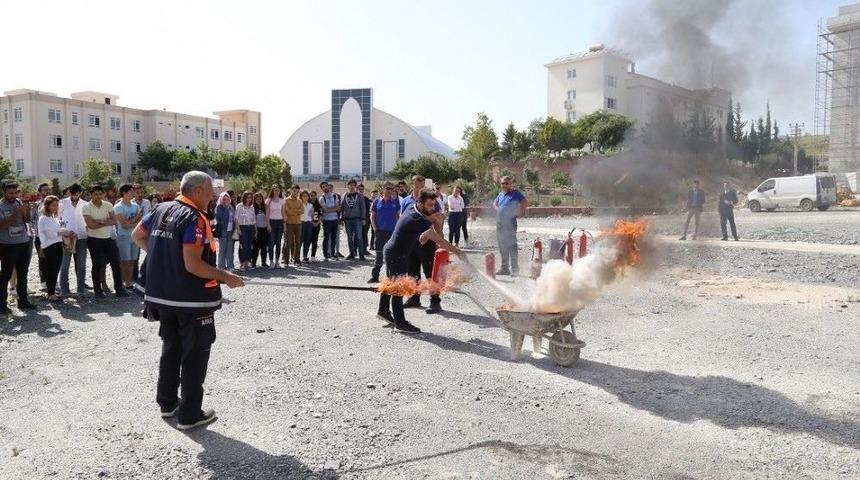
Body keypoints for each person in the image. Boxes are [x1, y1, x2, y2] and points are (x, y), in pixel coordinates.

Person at [132, 170, 245, 431]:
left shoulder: (160, 209)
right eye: (209, 192)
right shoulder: (194, 218)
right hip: (191, 300)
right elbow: (193, 265)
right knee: (195, 354)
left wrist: (164, 256)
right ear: (196, 192)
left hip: (163, 296)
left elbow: (137, 235)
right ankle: (190, 414)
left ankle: (168, 403)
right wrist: (225, 277)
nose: (213, 197)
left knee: (171, 348)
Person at [378, 190, 464, 333]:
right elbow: (439, 240)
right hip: (397, 254)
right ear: (420, 203)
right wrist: (459, 252)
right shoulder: (418, 219)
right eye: (429, 205)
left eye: (433, 205)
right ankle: (400, 323)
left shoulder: (413, 207)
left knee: (391, 282)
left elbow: (421, 232)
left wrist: (426, 229)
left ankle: (383, 311)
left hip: (392, 250)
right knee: (398, 288)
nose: (432, 208)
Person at [400, 175, 444, 313]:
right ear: (412, 185)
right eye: (417, 185)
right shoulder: (406, 201)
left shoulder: (431, 200)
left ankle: (435, 301)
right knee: (412, 272)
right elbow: (402, 219)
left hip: (427, 242)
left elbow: (438, 220)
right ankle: (414, 298)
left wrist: (439, 239)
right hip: (410, 243)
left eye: (422, 185)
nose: (419, 188)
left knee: (430, 273)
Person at [82, 184, 128, 299]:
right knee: (97, 265)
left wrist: (99, 221)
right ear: (91, 195)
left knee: (116, 263)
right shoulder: (86, 207)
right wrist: (104, 221)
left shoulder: (108, 205)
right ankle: (98, 290)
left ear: (103, 194)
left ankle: (119, 289)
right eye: (95, 194)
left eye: (100, 193)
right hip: (93, 240)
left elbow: (114, 221)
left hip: (108, 238)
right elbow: (90, 225)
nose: (98, 196)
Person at [0, 181, 36, 312]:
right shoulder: (0, 206)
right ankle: (2, 304)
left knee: (23, 273)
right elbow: (2, 225)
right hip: (7, 245)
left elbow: (26, 221)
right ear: (4, 192)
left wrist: (27, 211)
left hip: (23, 242)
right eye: (10, 193)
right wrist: (16, 213)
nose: (14, 195)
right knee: (6, 274)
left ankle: (23, 301)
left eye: (16, 192)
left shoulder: (19, 203)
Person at [38, 196, 72, 301]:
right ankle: (51, 293)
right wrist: (62, 233)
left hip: (57, 244)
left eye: (57, 205)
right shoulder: (43, 218)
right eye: (53, 205)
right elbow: (49, 234)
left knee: (56, 269)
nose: (55, 207)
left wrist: (66, 232)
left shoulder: (54, 217)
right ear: (47, 205)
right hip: (49, 246)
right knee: (52, 269)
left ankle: (52, 292)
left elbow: (58, 230)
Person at [58, 183, 89, 297]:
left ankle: (81, 290)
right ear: (69, 192)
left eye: (77, 194)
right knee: (65, 264)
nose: (75, 196)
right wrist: (64, 231)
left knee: (81, 265)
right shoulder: (62, 203)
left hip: (81, 237)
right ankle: (64, 289)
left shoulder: (85, 204)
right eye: (73, 194)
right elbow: (58, 218)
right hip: (67, 237)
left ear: (80, 193)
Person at [493, 176, 527, 276]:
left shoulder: (515, 193)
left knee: (512, 246)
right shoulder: (500, 194)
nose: (504, 185)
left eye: (507, 183)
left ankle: (515, 270)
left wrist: (519, 211)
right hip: (500, 223)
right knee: (502, 246)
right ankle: (504, 269)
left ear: (511, 184)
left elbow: (524, 201)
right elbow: (494, 203)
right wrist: (498, 209)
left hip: (510, 223)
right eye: (503, 183)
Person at [368, 182, 400, 283]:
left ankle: (389, 277)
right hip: (380, 232)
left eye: (391, 189)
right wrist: (374, 228)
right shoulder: (376, 201)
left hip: (392, 232)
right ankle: (375, 276)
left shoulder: (396, 202)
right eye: (387, 188)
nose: (389, 190)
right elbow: (372, 216)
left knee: (390, 255)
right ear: (383, 189)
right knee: (379, 255)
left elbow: (398, 217)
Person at [114, 184, 143, 289]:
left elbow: (140, 221)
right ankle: (121, 282)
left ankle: (129, 282)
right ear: (124, 193)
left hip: (134, 237)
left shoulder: (135, 206)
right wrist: (136, 219)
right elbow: (124, 225)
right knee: (124, 261)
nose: (133, 193)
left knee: (132, 261)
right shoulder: (118, 207)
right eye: (131, 192)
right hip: (123, 237)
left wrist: (134, 222)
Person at [31, 182, 52, 292]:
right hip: (40, 237)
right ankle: (43, 282)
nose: (47, 191)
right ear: (40, 192)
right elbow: (31, 219)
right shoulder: (37, 205)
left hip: (54, 237)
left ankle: (53, 281)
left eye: (48, 189)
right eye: (44, 190)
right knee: (42, 259)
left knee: (54, 259)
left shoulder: (56, 204)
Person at [341, 180, 367, 260]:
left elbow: (363, 207)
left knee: (359, 237)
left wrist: (363, 218)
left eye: (353, 185)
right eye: (350, 185)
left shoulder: (359, 195)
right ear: (348, 186)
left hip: (357, 219)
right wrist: (342, 218)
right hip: (347, 220)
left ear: (355, 186)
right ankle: (351, 253)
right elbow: (342, 207)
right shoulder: (344, 195)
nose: (352, 186)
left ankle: (361, 254)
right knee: (349, 237)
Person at [132, 184, 152, 281]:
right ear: (133, 193)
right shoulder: (130, 203)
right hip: (134, 232)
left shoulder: (147, 202)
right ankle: (134, 277)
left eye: (141, 192)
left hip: (146, 232)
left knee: (149, 253)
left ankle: (147, 275)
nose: (140, 194)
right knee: (135, 256)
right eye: (137, 192)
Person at [318, 182, 340, 260]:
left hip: (335, 220)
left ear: (328, 186)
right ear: (322, 189)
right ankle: (325, 254)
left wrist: (330, 209)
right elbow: (325, 210)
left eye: (326, 186)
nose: (325, 188)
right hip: (326, 220)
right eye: (323, 187)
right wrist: (333, 209)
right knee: (326, 238)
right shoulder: (321, 198)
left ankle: (333, 253)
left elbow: (338, 208)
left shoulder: (335, 196)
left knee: (334, 237)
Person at [282, 185, 303, 265]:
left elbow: (302, 211)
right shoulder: (286, 200)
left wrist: (293, 211)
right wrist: (296, 211)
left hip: (298, 224)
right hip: (289, 224)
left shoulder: (300, 201)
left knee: (298, 242)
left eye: (297, 192)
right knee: (288, 242)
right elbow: (287, 211)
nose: (296, 193)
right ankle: (286, 260)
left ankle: (296, 260)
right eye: (294, 191)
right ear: (291, 191)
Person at [214, 192, 236, 271]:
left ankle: (230, 266)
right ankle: (221, 267)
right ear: (221, 199)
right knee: (222, 250)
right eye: (224, 199)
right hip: (223, 230)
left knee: (230, 250)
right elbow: (220, 219)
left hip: (230, 230)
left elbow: (234, 218)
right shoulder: (219, 207)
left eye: (227, 199)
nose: (226, 200)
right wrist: (226, 209)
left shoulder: (231, 207)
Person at [265, 185, 285, 268]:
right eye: (275, 190)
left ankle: (277, 261)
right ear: (272, 191)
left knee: (278, 243)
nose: (277, 192)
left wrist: (284, 225)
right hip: (272, 222)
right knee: (271, 243)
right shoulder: (268, 201)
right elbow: (267, 214)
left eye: (278, 190)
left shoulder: (282, 201)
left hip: (280, 222)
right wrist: (268, 225)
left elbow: (283, 213)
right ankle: (271, 261)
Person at [235, 191, 256, 270]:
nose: (249, 199)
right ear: (244, 198)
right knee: (244, 246)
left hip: (250, 228)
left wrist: (256, 230)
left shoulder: (252, 207)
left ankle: (247, 263)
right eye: (247, 197)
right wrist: (238, 229)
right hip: (242, 228)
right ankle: (242, 263)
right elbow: (236, 218)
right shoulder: (239, 206)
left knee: (249, 246)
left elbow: (254, 220)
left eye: (250, 198)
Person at [251, 192, 269, 268]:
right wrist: (255, 231)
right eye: (257, 199)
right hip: (256, 229)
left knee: (264, 247)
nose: (259, 200)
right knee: (256, 247)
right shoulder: (252, 208)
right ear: (254, 200)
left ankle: (264, 262)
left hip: (264, 229)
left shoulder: (265, 207)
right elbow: (252, 220)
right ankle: (253, 263)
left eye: (260, 199)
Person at [299, 191, 314, 262]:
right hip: (301, 223)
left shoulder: (310, 205)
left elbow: (312, 215)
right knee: (300, 240)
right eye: (304, 196)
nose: (305, 197)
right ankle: (297, 257)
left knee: (307, 241)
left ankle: (305, 256)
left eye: (307, 196)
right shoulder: (299, 204)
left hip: (309, 224)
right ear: (301, 197)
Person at [359, 184, 373, 257]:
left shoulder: (366, 199)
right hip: (357, 220)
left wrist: (366, 220)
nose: (361, 191)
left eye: (362, 189)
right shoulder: (355, 198)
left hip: (365, 220)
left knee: (364, 235)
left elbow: (368, 210)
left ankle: (364, 249)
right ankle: (356, 250)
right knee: (357, 236)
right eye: (359, 189)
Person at [309, 191, 322, 260]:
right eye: (311, 195)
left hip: (317, 225)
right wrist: (312, 222)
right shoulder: (307, 204)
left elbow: (321, 215)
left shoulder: (318, 205)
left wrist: (318, 223)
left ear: (316, 196)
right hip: (309, 225)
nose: (312, 197)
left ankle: (313, 256)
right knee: (308, 240)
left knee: (315, 240)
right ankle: (305, 256)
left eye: (313, 195)